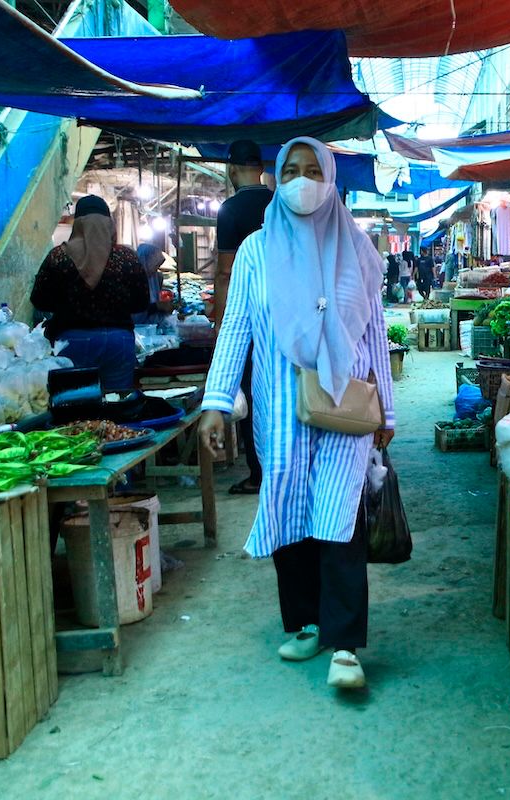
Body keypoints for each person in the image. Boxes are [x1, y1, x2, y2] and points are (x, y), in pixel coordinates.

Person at [197, 136, 396, 691]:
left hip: (346, 398)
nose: (303, 181)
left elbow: (374, 331)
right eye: (292, 170)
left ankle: (346, 644)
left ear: (331, 180)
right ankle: (305, 621)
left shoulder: (358, 248)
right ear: (274, 178)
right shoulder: (257, 251)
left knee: (338, 511)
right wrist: (216, 403)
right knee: (290, 506)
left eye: (314, 170)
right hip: (281, 405)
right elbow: (236, 327)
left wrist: (387, 412)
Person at [30, 195, 148, 390]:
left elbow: (39, 300)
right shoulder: (127, 258)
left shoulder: (59, 257)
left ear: (77, 225)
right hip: (118, 342)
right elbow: (141, 302)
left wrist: (68, 303)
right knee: (117, 406)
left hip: (71, 342)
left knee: (75, 406)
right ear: (110, 224)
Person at [216, 139, 273, 496]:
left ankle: (258, 473)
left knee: (253, 395)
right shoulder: (277, 204)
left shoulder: (230, 210)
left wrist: (222, 325)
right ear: (262, 167)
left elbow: (224, 273)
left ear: (232, 169)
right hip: (281, 315)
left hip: (248, 316)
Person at [132, 243, 173, 328]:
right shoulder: (133, 279)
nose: (156, 269)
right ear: (146, 262)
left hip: (153, 326)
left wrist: (165, 308)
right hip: (138, 328)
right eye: (155, 265)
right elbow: (134, 311)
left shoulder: (156, 278)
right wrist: (156, 306)